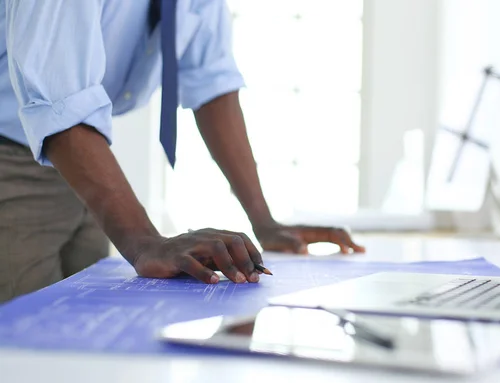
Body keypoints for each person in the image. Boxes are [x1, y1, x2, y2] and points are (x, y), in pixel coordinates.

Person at [0, 0, 364, 303]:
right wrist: (144, 242)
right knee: (21, 354)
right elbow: (59, 101)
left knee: (80, 338)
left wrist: (263, 221)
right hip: (13, 159)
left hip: (84, 160)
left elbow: (211, 80)